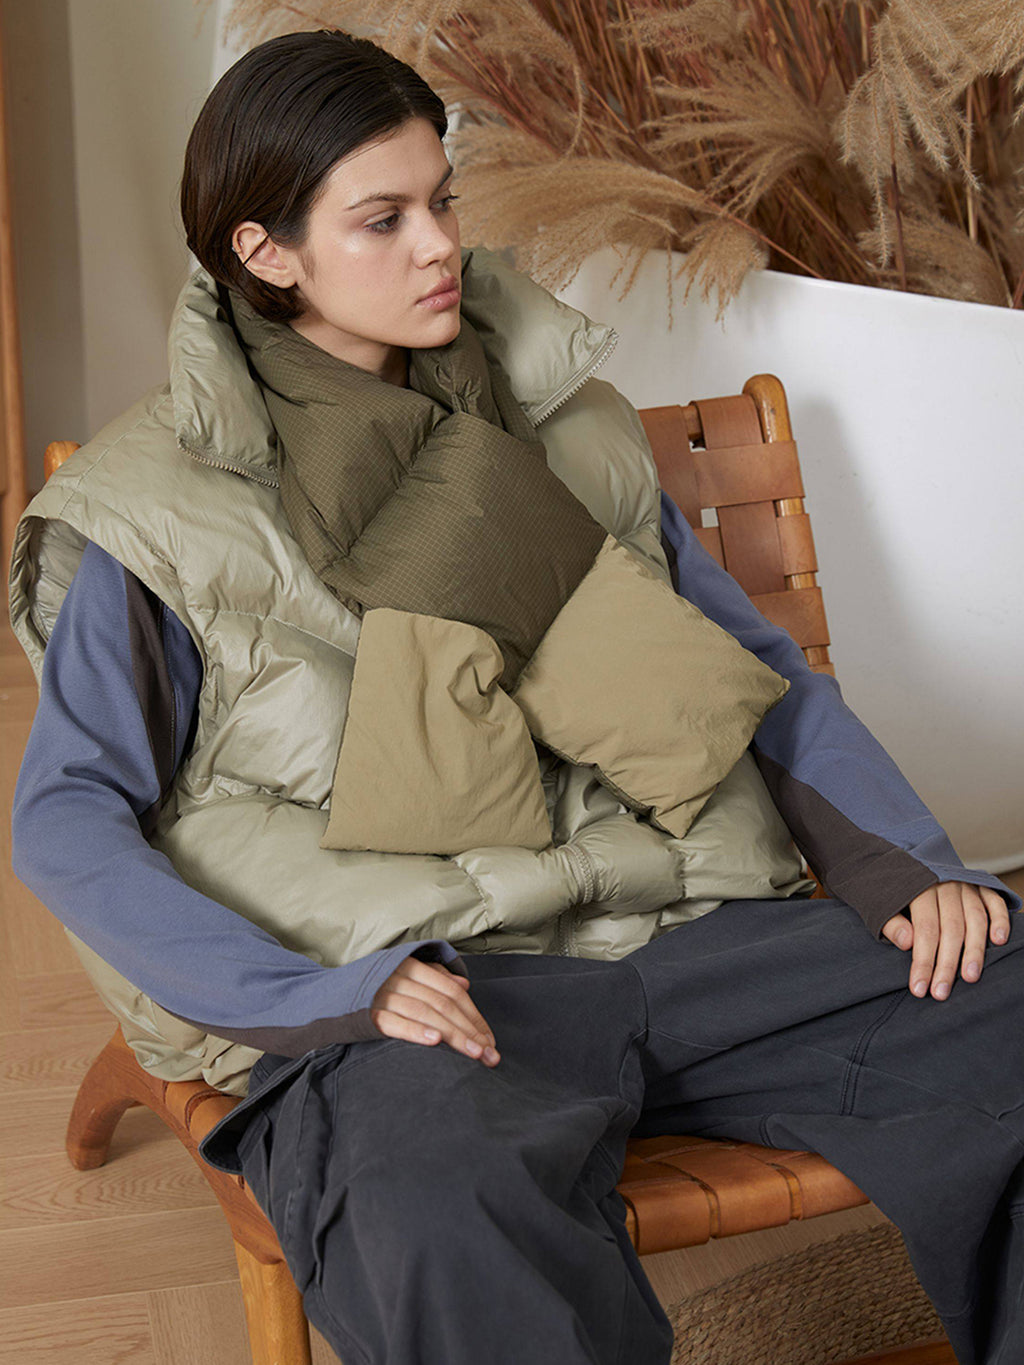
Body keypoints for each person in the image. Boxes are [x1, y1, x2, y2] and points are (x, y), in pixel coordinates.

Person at [9, 28, 1023, 1365]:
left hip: (697, 930)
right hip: (426, 989)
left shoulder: (573, 424)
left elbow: (759, 678)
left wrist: (912, 868)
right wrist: (318, 995)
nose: (441, 245)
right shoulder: (151, 514)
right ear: (267, 251)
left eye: (443, 200)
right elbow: (69, 816)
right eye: (383, 220)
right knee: (437, 1216)